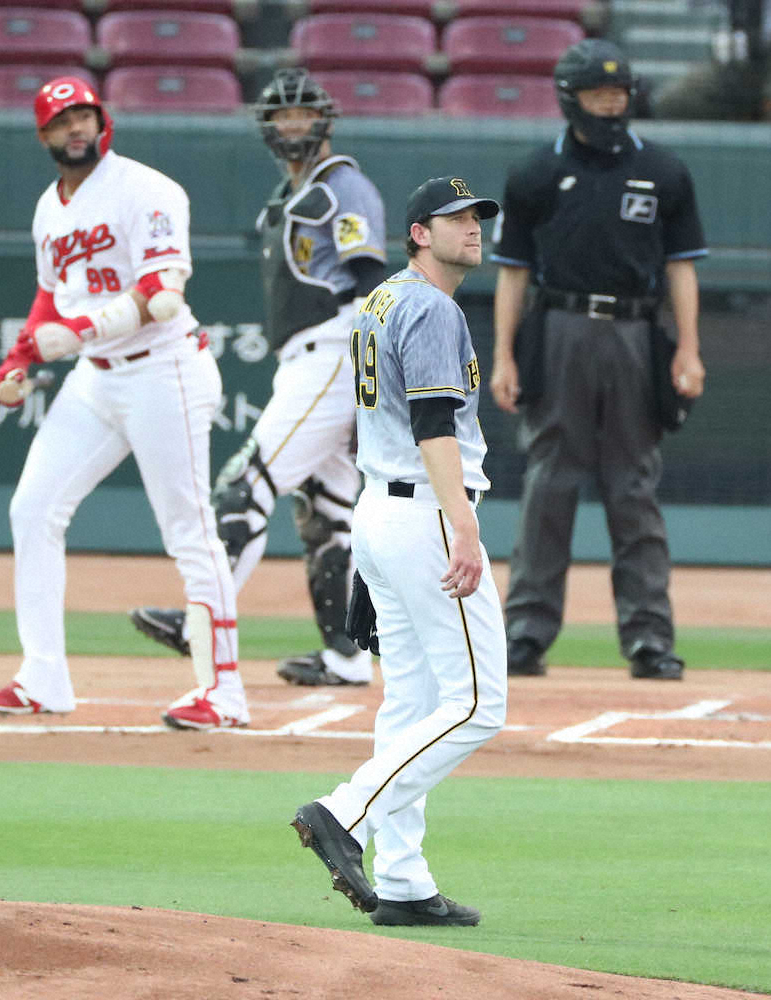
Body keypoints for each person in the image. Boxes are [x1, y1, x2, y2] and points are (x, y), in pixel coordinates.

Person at [0, 76, 244, 730]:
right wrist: (18, 360)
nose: (75, 130)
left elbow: (160, 293)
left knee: (189, 530)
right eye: (61, 121)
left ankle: (224, 692)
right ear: (43, 135)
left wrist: (81, 332)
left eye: (84, 116)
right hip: (96, 377)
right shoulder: (49, 208)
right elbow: (50, 298)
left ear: (103, 119)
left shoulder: (146, 190)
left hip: (164, 369)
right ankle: (43, 677)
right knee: (33, 507)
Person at [291, 176, 507, 927]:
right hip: (428, 513)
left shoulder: (382, 299)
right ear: (419, 231)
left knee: (412, 702)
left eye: (478, 217)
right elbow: (434, 425)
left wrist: (377, 536)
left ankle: (406, 881)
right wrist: (465, 527)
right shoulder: (430, 307)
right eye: (456, 220)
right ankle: (344, 812)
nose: (474, 228)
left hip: (384, 509)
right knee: (478, 706)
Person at [129, 68, 388, 688]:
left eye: (302, 115)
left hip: (335, 349)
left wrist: (373, 368)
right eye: (281, 117)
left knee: (247, 482)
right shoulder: (288, 196)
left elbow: (370, 281)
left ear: (324, 121)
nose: (292, 126)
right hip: (305, 357)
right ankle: (348, 657)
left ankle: (203, 620)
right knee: (325, 512)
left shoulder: (342, 186)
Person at [489, 39, 707, 681]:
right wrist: (502, 354)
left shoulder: (664, 169)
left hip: (637, 332)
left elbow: (681, 267)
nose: (611, 104)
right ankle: (526, 632)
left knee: (634, 482)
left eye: (619, 93)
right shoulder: (534, 172)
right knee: (549, 479)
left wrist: (689, 347)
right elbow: (512, 272)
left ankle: (648, 638)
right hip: (558, 326)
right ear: (570, 98)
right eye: (598, 94)